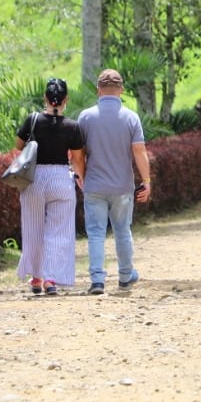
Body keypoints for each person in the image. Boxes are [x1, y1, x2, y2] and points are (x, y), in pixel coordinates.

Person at [76, 69, 152, 296]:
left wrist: (82, 177)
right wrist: (146, 181)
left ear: (98, 89)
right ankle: (126, 275)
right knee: (122, 230)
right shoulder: (131, 117)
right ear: (122, 90)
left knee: (96, 233)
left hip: (95, 185)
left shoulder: (86, 117)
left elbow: (77, 155)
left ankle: (97, 280)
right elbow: (139, 151)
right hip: (122, 187)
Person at [14, 78, 86, 296]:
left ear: (45, 98)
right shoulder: (73, 127)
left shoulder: (32, 120)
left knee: (33, 228)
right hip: (61, 178)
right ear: (66, 100)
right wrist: (81, 178)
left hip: (34, 178)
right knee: (59, 230)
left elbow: (18, 146)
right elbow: (77, 158)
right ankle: (51, 279)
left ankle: (36, 278)